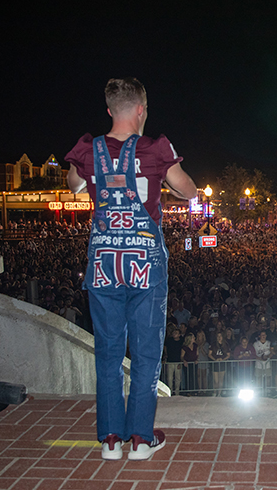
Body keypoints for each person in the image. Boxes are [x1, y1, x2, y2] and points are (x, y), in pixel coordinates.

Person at [66, 77, 197, 461]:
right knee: (145, 351)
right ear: (141, 109)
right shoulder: (156, 148)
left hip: (104, 261)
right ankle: (140, 437)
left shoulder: (89, 150)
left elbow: (74, 184)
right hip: (144, 262)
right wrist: (168, 183)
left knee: (107, 352)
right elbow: (188, 189)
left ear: (110, 110)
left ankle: (110, 438)